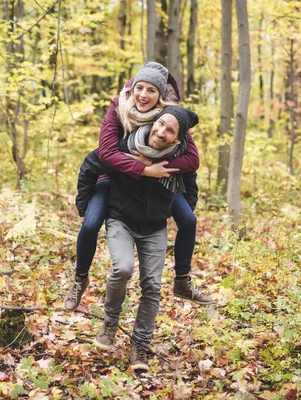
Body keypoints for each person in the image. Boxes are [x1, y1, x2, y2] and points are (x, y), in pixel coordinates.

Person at [65, 62, 212, 310]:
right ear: (132, 88)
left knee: (189, 219)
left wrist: (157, 168)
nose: (144, 95)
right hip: (112, 176)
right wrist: (144, 168)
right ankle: (80, 278)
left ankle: (183, 281)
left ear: (160, 96)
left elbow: (193, 160)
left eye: (151, 91)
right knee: (90, 224)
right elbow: (106, 153)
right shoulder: (119, 108)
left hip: (159, 180)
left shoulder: (169, 115)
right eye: (139, 88)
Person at [92, 106, 200, 371]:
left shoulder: (177, 160)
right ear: (153, 121)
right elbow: (94, 162)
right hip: (121, 220)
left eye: (170, 130)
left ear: (177, 139)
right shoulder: (127, 144)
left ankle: (139, 348)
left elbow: (191, 184)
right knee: (123, 268)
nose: (161, 132)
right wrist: (88, 206)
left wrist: (182, 206)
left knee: (152, 286)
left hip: (154, 227)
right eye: (160, 124)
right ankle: (110, 323)